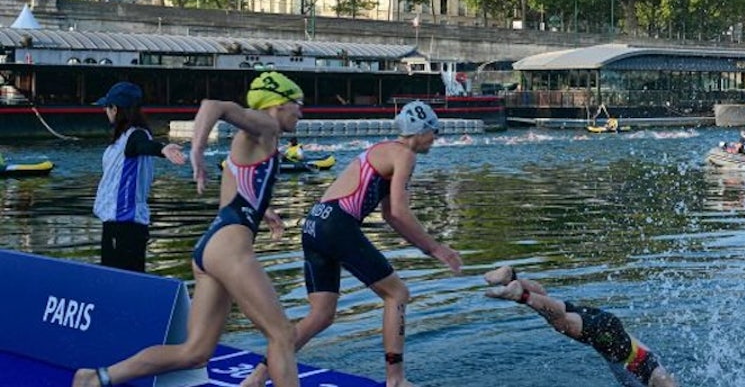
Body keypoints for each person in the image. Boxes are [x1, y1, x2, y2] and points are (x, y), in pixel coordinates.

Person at [73, 70, 305, 387]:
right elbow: (214, 105)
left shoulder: (250, 141)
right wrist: (196, 149)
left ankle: (97, 378)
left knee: (194, 352)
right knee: (283, 334)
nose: (301, 111)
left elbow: (236, 195)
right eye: (298, 103)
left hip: (210, 248)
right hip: (230, 249)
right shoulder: (265, 124)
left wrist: (264, 211)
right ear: (277, 104)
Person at [241, 101, 462, 387]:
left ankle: (257, 377)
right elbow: (399, 211)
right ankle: (395, 380)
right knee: (397, 294)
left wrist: (425, 245)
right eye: (434, 131)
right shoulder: (404, 155)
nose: (435, 138)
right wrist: (436, 248)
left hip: (314, 224)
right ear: (420, 131)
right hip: (336, 225)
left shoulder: (382, 150)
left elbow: (388, 214)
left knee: (321, 315)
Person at [482, 265, 678, 387]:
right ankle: (521, 296)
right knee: (562, 323)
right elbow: (664, 380)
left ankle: (511, 278)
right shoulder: (654, 374)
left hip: (606, 327)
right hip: (613, 340)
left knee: (552, 306)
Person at [92, 81, 186, 272]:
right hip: (114, 222)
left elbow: (143, 146)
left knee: (122, 280)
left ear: (115, 109)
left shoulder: (135, 135)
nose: (105, 111)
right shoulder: (121, 139)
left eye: (107, 107)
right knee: (114, 279)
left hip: (125, 224)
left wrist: (162, 149)